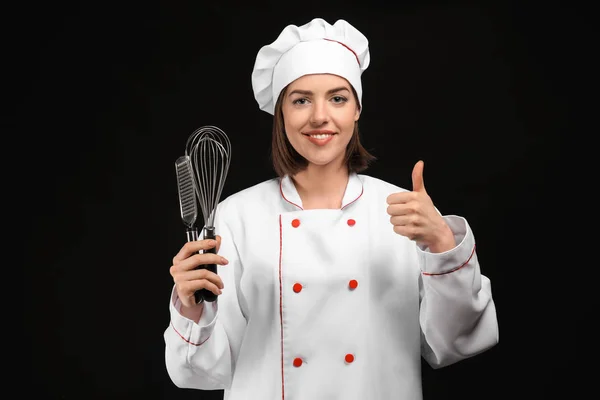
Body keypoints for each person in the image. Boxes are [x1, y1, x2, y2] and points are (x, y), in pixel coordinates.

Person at [164, 17, 499, 400]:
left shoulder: (402, 213)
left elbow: (455, 344)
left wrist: (442, 243)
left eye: (337, 98)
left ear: (356, 109)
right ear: (281, 114)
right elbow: (204, 373)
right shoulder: (235, 217)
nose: (319, 116)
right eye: (301, 99)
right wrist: (191, 308)